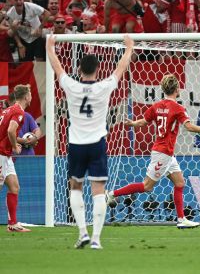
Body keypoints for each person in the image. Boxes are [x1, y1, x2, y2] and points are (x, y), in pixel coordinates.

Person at [46, 34, 135, 249]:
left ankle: (82, 233)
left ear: (79, 70)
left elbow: (57, 67)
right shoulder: (103, 87)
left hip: (76, 144)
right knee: (98, 190)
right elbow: (120, 68)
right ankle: (96, 239)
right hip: (97, 143)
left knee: (75, 187)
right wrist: (129, 48)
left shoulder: (71, 86)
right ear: (97, 69)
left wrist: (50, 47)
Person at [106, 74, 200, 229]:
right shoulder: (178, 108)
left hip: (167, 153)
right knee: (147, 186)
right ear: (177, 89)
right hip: (163, 153)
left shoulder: (157, 106)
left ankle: (182, 219)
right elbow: (189, 127)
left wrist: (133, 123)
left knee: (179, 183)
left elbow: (144, 121)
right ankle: (112, 194)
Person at [0, 84, 32, 232]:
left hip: (5, 155)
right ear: (26, 97)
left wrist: (21, 141)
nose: (31, 96)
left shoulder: (9, 109)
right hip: (1, 154)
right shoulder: (19, 111)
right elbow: (10, 131)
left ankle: (12, 224)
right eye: (30, 93)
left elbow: (8, 132)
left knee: (14, 187)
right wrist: (14, 146)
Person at [8, 91, 41, 155]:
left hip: (29, 156)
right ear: (9, 103)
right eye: (15, 103)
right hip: (13, 156)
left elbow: (37, 130)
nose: (17, 105)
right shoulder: (6, 116)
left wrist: (35, 138)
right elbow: (9, 134)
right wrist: (26, 141)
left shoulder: (27, 115)